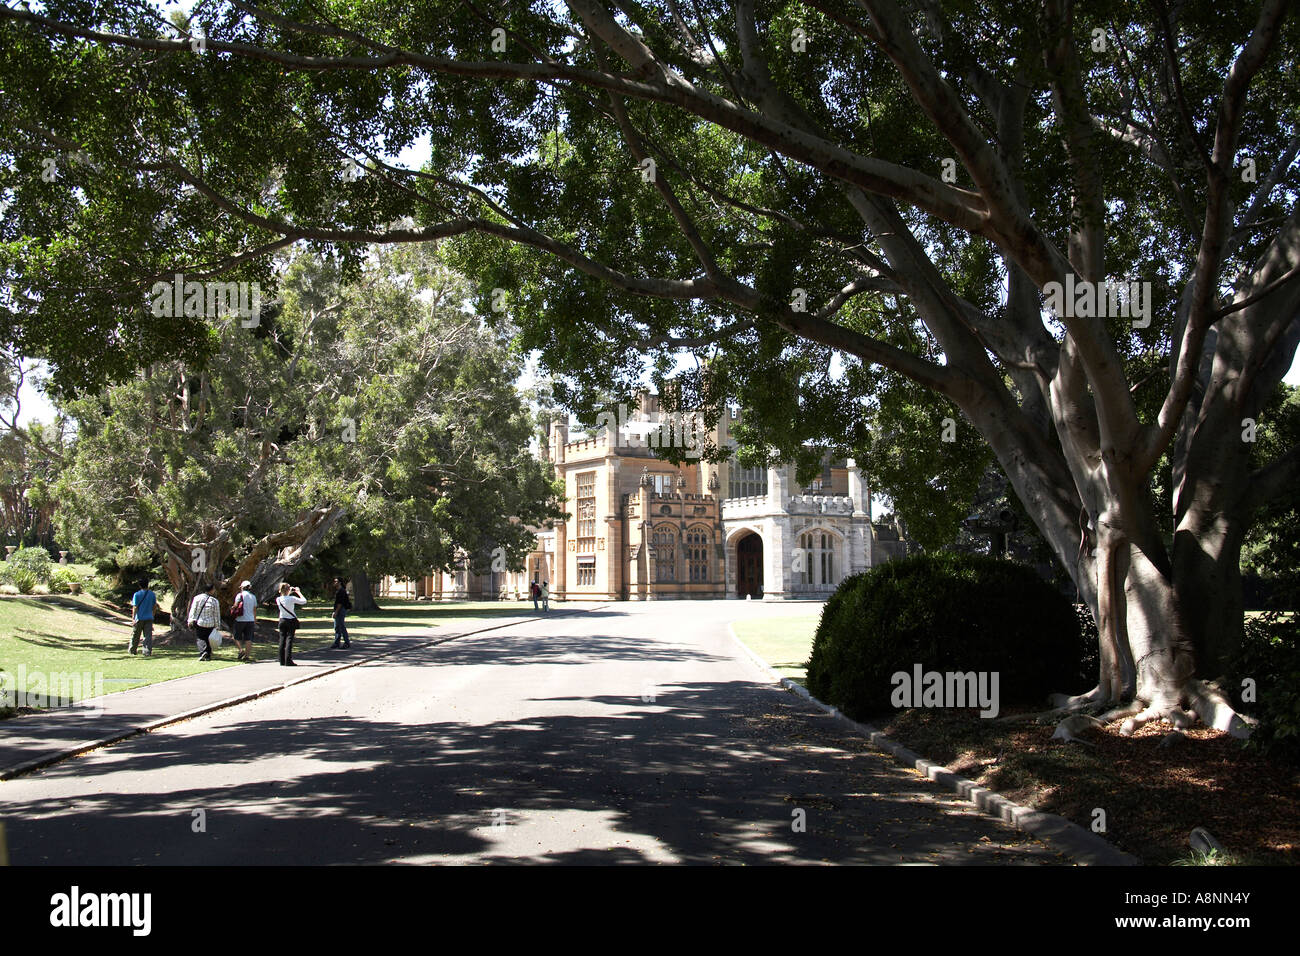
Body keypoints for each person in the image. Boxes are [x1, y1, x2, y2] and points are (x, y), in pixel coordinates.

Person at [187, 582, 222, 661]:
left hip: (200, 622)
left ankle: (202, 652)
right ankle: (208, 654)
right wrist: (217, 625)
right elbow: (216, 614)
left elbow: (193, 610)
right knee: (209, 639)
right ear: (212, 590)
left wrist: (190, 620)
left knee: (200, 638)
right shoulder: (214, 601)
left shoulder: (197, 598)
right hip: (210, 623)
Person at [276, 583, 307, 666]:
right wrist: (298, 592)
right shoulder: (292, 598)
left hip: (282, 620)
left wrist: (289, 591)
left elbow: (285, 596)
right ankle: (288, 660)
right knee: (289, 640)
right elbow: (304, 601)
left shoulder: (278, 599)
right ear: (288, 590)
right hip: (291, 621)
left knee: (282, 640)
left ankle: (281, 660)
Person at [129, 580, 158, 657]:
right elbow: (154, 606)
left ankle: (132, 650)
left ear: (140, 586)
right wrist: (152, 615)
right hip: (149, 618)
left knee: (135, 635)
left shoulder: (137, 594)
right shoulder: (152, 594)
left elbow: (135, 607)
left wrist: (133, 618)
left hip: (139, 618)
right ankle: (147, 651)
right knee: (148, 636)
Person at [232, 580, 258, 662]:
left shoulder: (239, 595)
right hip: (250, 620)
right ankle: (247, 656)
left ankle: (241, 650)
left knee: (236, 636)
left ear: (242, 587)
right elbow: (254, 609)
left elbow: (236, 605)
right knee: (248, 638)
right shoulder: (253, 597)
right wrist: (254, 620)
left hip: (240, 619)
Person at [331, 577, 352, 649]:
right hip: (338, 610)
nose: (334, 582)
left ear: (339, 582)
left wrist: (336, 612)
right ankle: (337, 642)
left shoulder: (341, 591)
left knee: (341, 626)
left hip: (340, 610)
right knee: (337, 627)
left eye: (336, 581)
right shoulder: (339, 591)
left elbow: (340, 603)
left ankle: (347, 642)